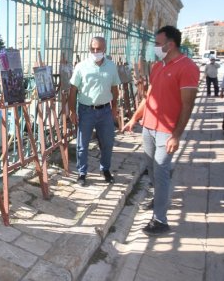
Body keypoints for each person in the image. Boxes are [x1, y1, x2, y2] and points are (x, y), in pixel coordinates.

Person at [122, 26, 200, 236]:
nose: (155, 47)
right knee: (152, 169)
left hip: (167, 131)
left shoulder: (187, 67)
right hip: (148, 127)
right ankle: (160, 200)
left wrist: (176, 135)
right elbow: (149, 98)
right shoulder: (157, 66)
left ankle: (160, 219)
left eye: (157, 44)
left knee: (161, 170)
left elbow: (187, 105)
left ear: (170, 44)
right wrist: (134, 118)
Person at [69, 36, 121, 187]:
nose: (96, 51)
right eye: (93, 49)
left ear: (104, 49)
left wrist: (114, 108)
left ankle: (105, 169)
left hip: (105, 111)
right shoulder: (81, 66)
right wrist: (72, 111)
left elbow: (114, 88)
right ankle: (82, 173)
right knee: (82, 145)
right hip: (86, 111)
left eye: (99, 49)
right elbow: (73, 90)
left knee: (107, 143)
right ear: (89, 49)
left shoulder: (111, 66)